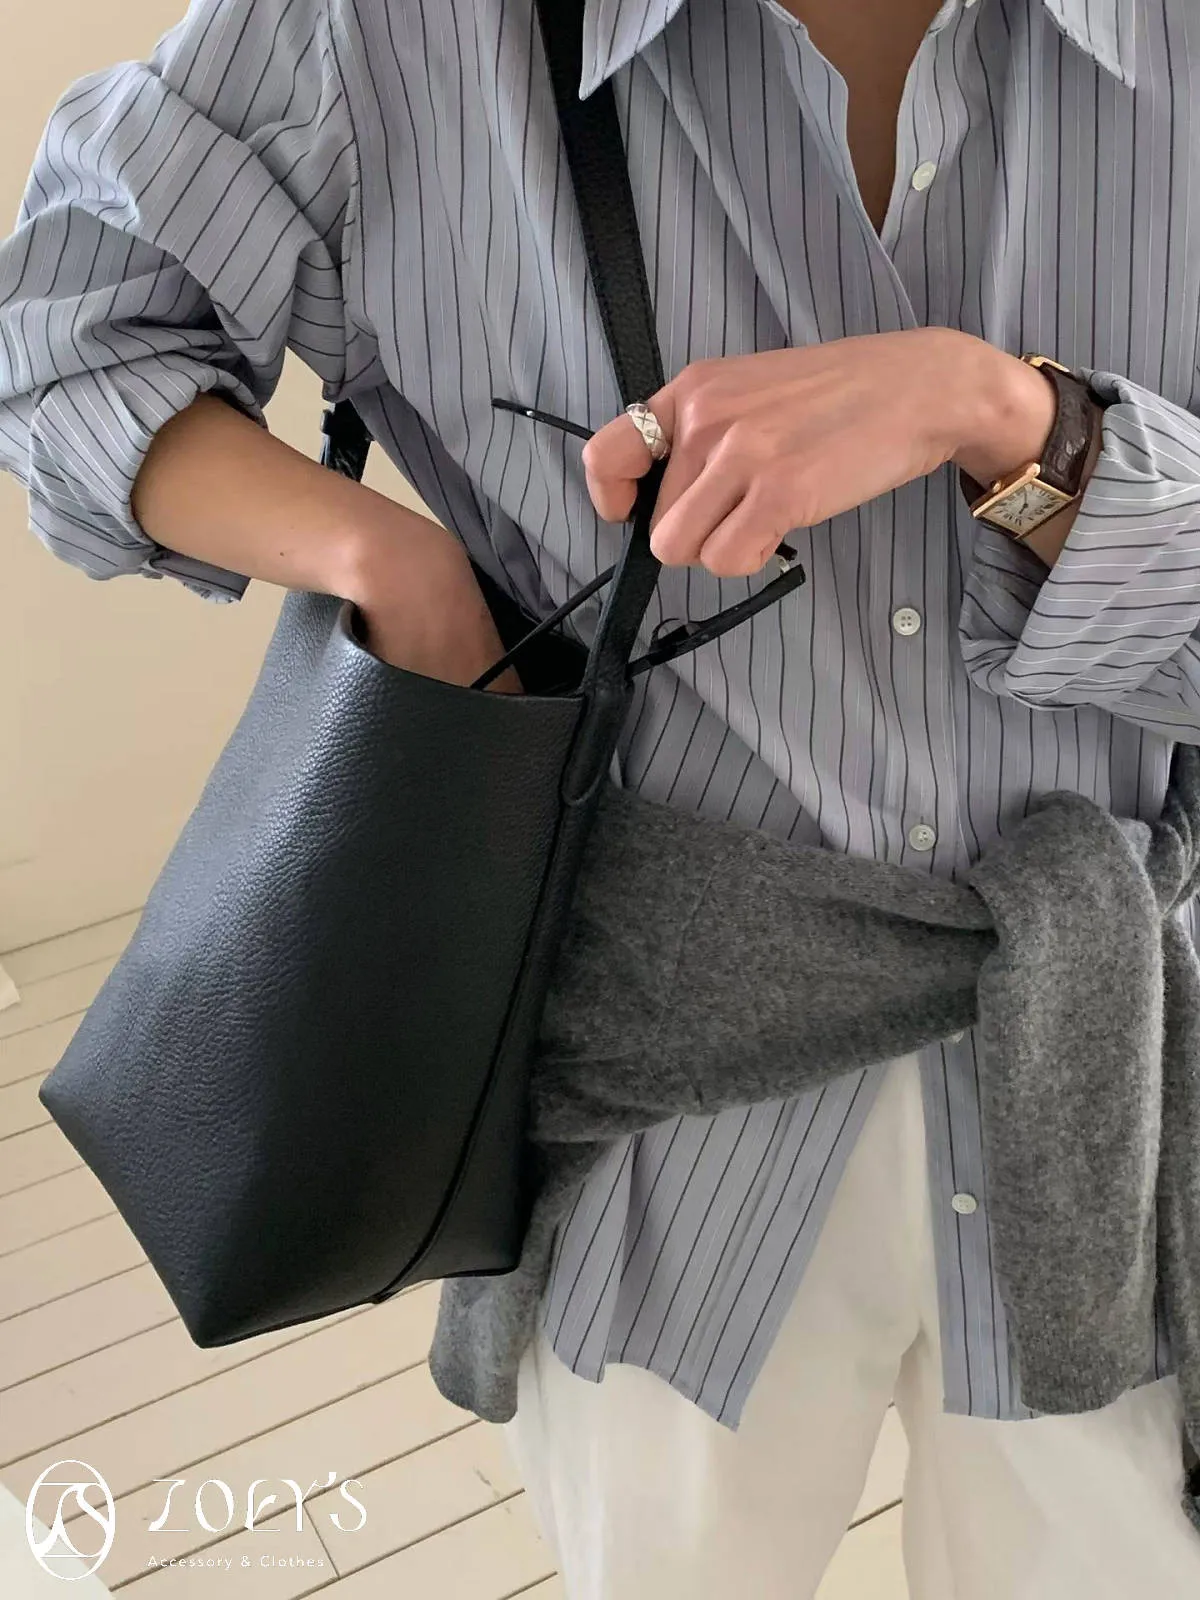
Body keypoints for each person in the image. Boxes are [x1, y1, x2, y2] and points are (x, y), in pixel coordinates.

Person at [3, 0, 1200, 1592]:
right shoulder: (382, 35)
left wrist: (1014, 426)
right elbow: (65, 333)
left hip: (1128, 1087)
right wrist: (393, 565)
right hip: (647, 1130)